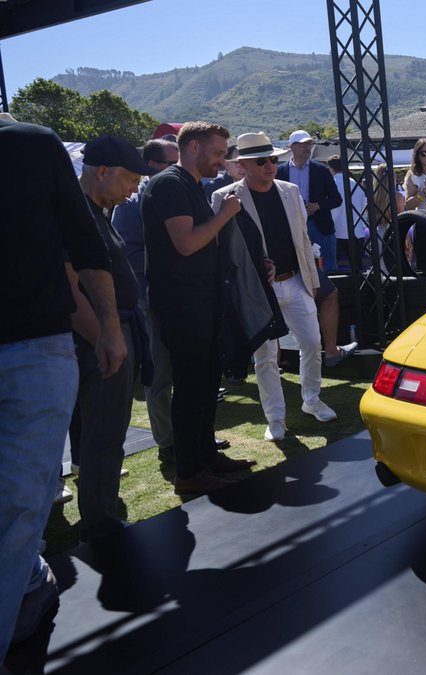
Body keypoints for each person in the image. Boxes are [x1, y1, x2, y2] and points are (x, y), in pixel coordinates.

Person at [1, 117, 126, 656]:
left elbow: (84, 247)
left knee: (22, 505)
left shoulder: (30, 144)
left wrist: (108, 331)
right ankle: (26, 581)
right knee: (20, 508)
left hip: (36, 348)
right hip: (37, 354)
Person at [141, 121, 256, 495]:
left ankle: (205, 456)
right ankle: (189, 472)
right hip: (181, 304)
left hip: (201, 301)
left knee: (206, 383)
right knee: (190, 387)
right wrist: (225, 214)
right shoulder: (170, 184)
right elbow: (187, 244)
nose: (224, 162)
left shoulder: (189, 184)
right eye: (219, 153)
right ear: (193, 146)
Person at [213, 132, 342, 442]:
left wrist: (310, 281)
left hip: (295, 280)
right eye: (263, 160)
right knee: (265, 356)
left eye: (273, 158)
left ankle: (311, 399)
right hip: (258, 291)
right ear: (243, 165)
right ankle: (276, 419)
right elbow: (223, 250)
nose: (271, 165)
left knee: (312, 343)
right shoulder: (225, 198)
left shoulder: (290, 190)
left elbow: (302, 238)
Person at [70, 136, 155, 542]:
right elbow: (70, 289)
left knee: (107, 432)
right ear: (102, 172)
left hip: (113, 332)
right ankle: (100, 526)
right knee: (103, 434)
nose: (134, 189)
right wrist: (106, 338)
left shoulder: (98, 210)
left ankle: (100, 516)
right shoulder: (75, 213)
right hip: (100, 338)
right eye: (130, 179)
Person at [112, 139, 179, 458]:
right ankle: (167, 442)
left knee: (187, 371)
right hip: (150, 301)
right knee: (160, 374)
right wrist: (175, 257)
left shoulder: (181, 193)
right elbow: (127, 255)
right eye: (171, 163)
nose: (177, 169)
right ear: (152, 166)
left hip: (182, 298)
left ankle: (192, 436)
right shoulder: (130, 203)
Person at [276, 130, 342, 272]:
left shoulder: (321, 170)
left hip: (320, 226)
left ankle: (329, 294)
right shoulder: (279, 172)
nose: (307, 148)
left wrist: (318, 205)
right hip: (292, 226)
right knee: (295, 266)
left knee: (328, 267)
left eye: (309, 144)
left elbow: (337, 199)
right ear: (291, 147)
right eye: (303, 145)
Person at [328, 154, 368, 271]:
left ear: (331, 168)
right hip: (356, 230)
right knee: (358, 268)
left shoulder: (331, 184)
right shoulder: (355, 183)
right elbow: (362, 206)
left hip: (336, 231)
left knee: (332, 267)